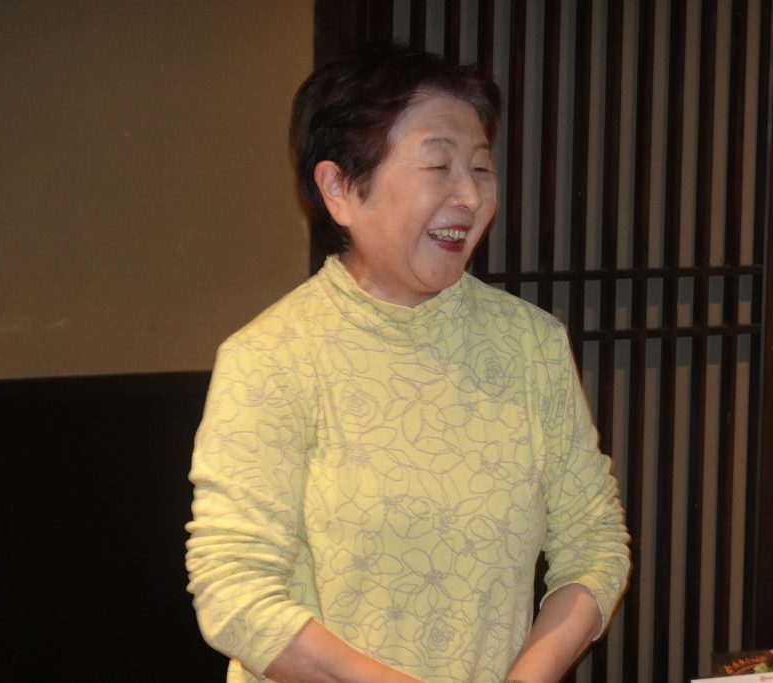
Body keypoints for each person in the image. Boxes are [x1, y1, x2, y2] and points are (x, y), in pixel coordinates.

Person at [185, 43, 630, 683]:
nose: (470, 196)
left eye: (481, 168)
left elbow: (594, 545)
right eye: (438, 166)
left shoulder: (531, 344)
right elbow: (235, 593)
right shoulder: (273, 357)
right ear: (340, 189)